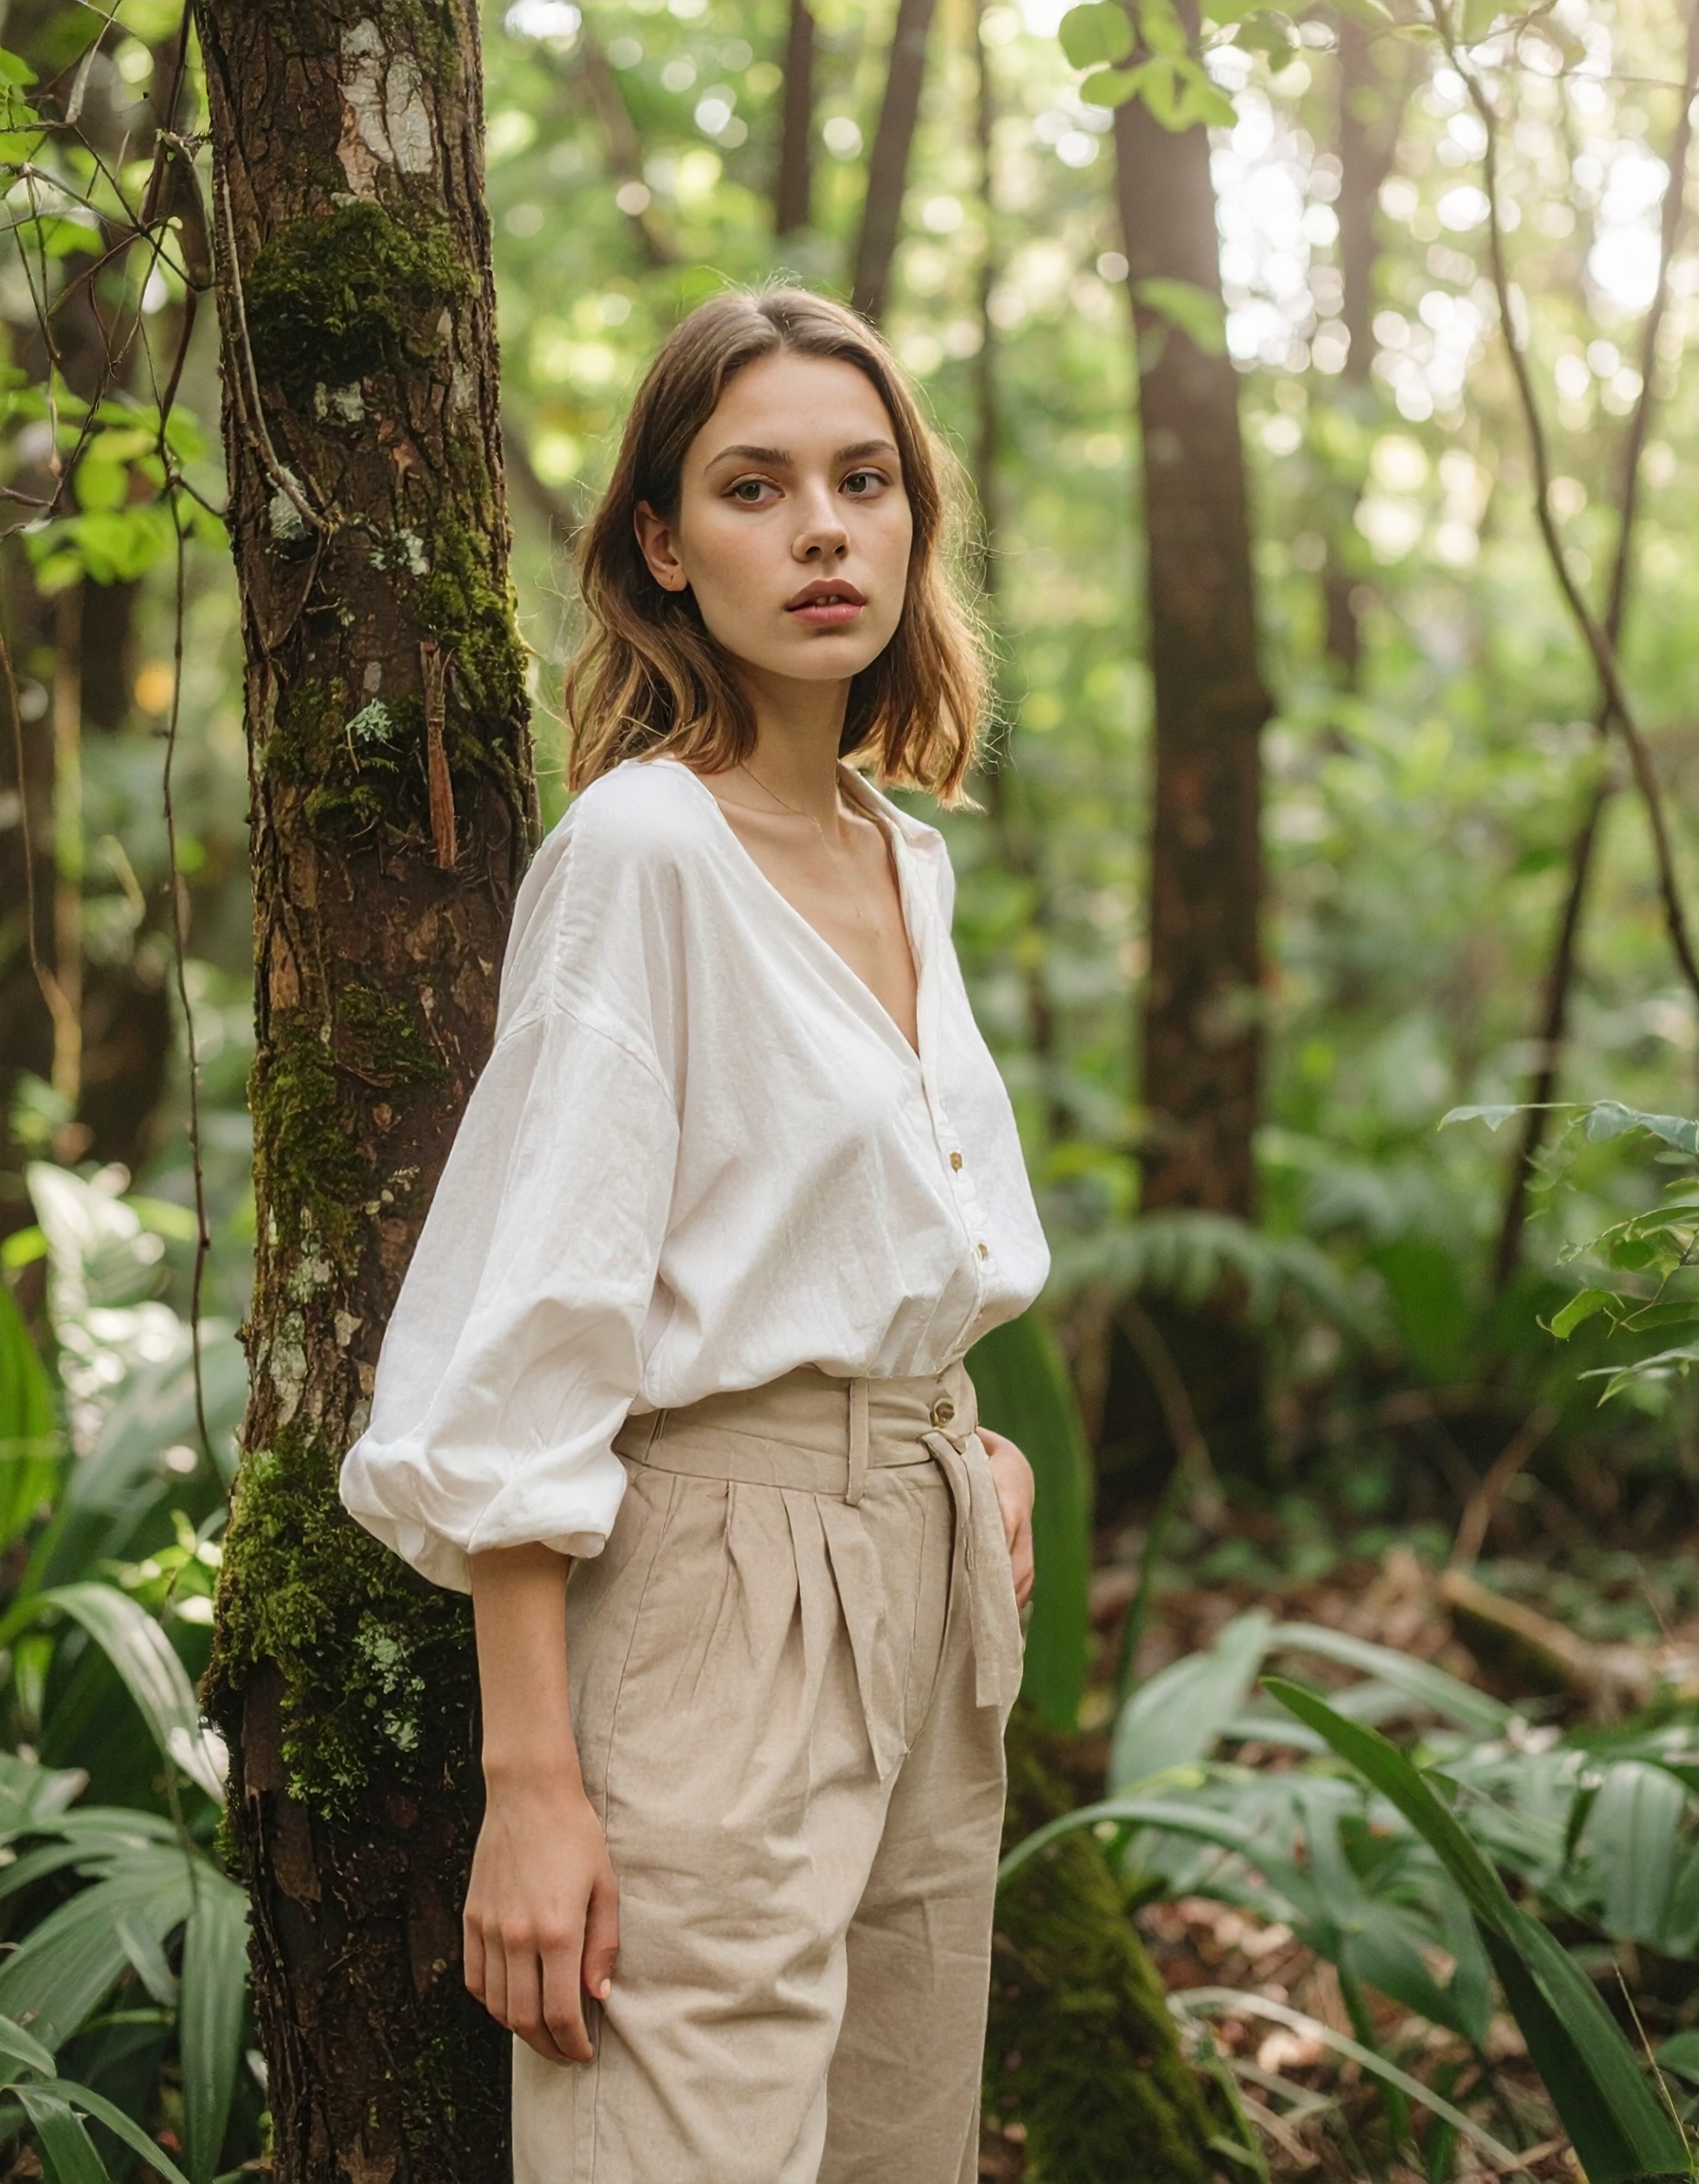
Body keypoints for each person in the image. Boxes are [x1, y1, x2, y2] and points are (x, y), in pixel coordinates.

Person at [339, 285, 1050, 2184]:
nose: (821, 528)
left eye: (861, 478)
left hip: (918, 1568)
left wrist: (950, 1431)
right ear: (662, 543)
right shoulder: (641, 856)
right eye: (752, 487)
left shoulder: (907, 854)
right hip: (708, 1602)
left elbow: (856, 1226)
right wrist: (532, 1788)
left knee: (898, 2143)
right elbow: (535, 1328)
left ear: (912, 522)